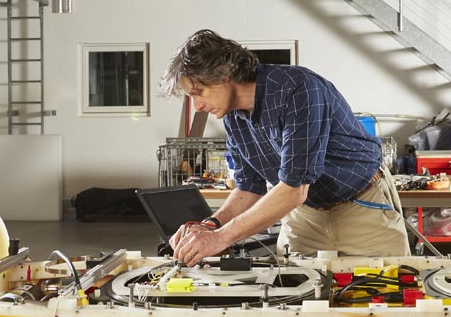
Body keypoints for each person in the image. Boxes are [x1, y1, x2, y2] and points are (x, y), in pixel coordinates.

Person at [160, 29, 409, 265]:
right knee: (297, 290)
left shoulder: (299, 88)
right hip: (305, 215)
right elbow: (249, 187)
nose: (198, 106)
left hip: (362, 205)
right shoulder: (233, 117)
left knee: (386, 288)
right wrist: (210, 225)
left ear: (224, 74)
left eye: (199, 92)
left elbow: (293, 189)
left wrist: (221, 238)